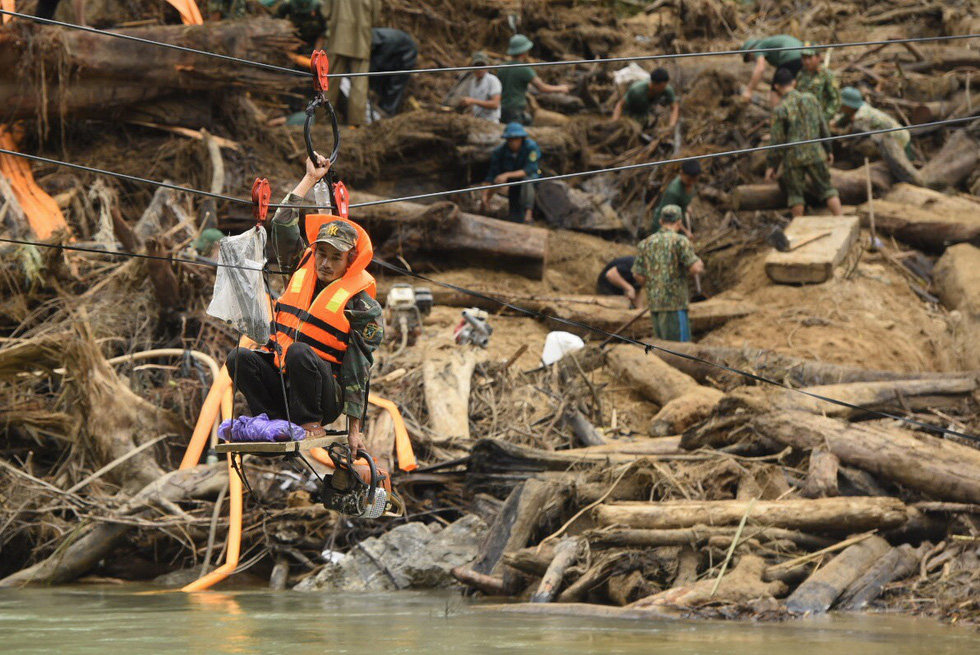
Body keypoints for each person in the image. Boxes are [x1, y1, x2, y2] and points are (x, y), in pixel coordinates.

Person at [226, 155, 383, 453]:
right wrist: (310, 179)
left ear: (350, 260)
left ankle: (310, 423)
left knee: (299, 352)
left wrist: (354, 430)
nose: (324, 264)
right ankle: (271, 421)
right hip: (284, 389)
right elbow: (284, 224)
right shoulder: (300, 267)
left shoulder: (362, 305)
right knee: (239, 357)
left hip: (324, 398)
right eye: (321, 254)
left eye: (335, 258)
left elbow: (358, 369)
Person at [766, 67, 843, 218]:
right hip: (816, 152)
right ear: (794, 82)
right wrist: (828, 150)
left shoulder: (780, 109)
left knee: (795, 196)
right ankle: (841, 220)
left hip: (793, 158)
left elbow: (777, 140)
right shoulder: (811, 99)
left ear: (776, 86)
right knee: (827, 189)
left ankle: (797, 230)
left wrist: (772, 165)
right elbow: (823, 126)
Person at [632, 205, 704, 342]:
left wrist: (654, 286)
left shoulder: (645, 243)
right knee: (680, 350)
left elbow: (637, 274)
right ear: (679, 222)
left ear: (661, 221)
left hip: (655, 304)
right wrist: (699, 263)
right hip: (675, 304)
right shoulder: (680, 241)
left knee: (662, 348)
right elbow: (695, 268)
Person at [835, 86, 922, 186]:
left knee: (901, 168)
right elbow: (843, 119)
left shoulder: (861, 116)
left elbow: (854, 133)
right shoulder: (860, 108)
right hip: (894, 135)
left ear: (848, 105)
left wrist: (842, 135)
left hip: (897, 139)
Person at [324, 0, 381, 126]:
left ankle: (323, 120)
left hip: (338, 35)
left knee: (329, 80)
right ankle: (356, 124)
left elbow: (325, 11)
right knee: (359, 82)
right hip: (361, 37)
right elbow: (376, 17)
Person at [497, 34, 571, 125]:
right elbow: (542, 88)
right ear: (524, 52)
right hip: (515, 110)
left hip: (502, 109)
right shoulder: (524, 69)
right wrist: (561, 88)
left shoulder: (501, 68)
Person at [481, 122, 542, 224]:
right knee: (515, 217)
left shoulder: (531, 147)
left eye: (516, 139)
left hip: (531, 181)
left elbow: (529, 170)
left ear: (522, 139)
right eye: (510, 140)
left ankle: (529, 213)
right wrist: (485, 195)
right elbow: (492, 175)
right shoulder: (499, 152)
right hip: (513, 184)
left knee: (527, 180)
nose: (513, 142)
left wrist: (507, 175)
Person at [369, 28, 418, 117]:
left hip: (407, 56)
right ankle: (380, 107)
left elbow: (378, 62)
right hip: (394, 55)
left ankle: (388, 112)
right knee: (382, 80)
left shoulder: (388, 42)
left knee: (395, 85)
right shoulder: (374, 37)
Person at [741, 34, 804, 102]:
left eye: (749, 58)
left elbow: (760, 68)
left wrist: (749, 90)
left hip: (789, 56)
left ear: (750, 52)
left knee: (776, 88)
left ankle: (777, 111)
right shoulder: (767, 44)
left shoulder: (757, 47)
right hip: (803, 55)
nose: (753, 60)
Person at [611, 67, 680, 130]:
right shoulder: (637, 90)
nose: (664, 88)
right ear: (654, 84)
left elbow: (674, 106)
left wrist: (672, 125)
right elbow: (620, 105)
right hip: (629, 115)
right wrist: (615, 122)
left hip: (645, 114)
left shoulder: (666, 89)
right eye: (662, 86)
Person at [651, 159, 701, 235]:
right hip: (665, 225)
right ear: (681, 173)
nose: (692, 182)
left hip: (677, 221)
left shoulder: (690, 184)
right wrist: (686, 232)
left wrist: (686, 206)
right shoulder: (673, 192)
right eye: (689, 180)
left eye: (694, 180)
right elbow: (670, 218)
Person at [795, 45, 841, 122]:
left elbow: (836, 100)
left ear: (818, 57)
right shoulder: (801, 74)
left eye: (810, 58)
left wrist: (824, 118)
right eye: (804, 58)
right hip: (803, 120)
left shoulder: (826, 75)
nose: (807, 61)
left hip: (820, 120)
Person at [458, 52, 502, 122]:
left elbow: (495, 104)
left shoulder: (492, 80)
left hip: (490, 120)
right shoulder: (473, 82)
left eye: (482, 65)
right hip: (478, 120)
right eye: (477, 66)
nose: (480, 69)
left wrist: (473, 101)